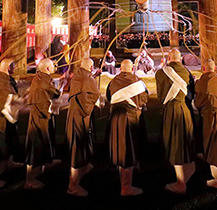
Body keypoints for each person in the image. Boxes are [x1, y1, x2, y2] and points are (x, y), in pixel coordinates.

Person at [154, 49, 196, 194]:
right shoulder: (187, 72)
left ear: (169, 58)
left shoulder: (161, 73)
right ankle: (188, 172)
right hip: (185, 109)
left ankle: (180, 182)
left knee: (175, 142)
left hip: (171, 110)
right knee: (185, 139)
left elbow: (161, 96)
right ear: (180, 59)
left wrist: (162, 68)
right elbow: (191, 94)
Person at [107, 59, 148, 196]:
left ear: (120, 69)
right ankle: (126, 187)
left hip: (115, 119)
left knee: (119, 149)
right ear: (132, 69)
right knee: (128, 151)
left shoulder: (113, 82)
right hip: (130, 120)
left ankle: (122, 177)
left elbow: (109, 97)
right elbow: (143, 99)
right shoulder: (138, 82)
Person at [0, 58, 24, 188]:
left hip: (8, 116)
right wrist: (17, 101)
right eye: (13, 66)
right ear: (8, 67)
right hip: (1, 117)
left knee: (9, 140)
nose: (15, 68)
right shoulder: (0, 81)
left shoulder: (6, 79)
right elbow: (0, 98)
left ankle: (9, 162)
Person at [25, 58, 62, 189]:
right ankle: (30, 179)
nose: (53, 67)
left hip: (41, 113)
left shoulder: (39, 77)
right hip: (40, 115)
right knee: (37, 143)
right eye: (52, 66)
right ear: (47, 68)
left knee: (44, 140)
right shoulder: (45, 81)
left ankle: (47, 162)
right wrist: (62, 85)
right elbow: (55, 93)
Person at [66, 58, 101, 196]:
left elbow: (83, 87)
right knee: (78, 147)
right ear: (91, 67)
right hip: (80, 117)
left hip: (74, 114)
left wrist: (94, 76)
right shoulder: (87, 79)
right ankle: (73, 185)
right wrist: (96, 101)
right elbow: (90, 96)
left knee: (83, 143)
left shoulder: (79, 75)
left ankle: (85, 166)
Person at [194, 59, 217, 190]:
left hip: (209, 116)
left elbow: (198, 103)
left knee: (213, 145)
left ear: (203, 68)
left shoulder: (203, 81)